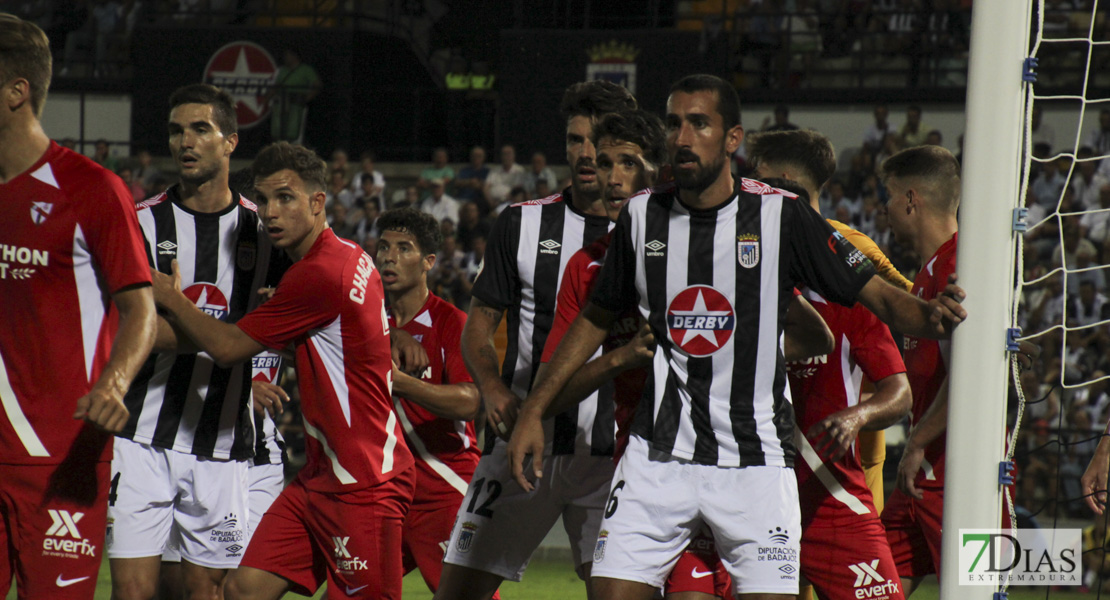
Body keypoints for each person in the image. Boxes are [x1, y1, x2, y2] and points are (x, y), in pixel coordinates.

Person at [509, 74, 966, 600]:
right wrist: (532, 412)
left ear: (732, 140)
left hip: (756, 466)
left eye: (699, 123)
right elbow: (593, 318)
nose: (682, 137)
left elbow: (879, 296)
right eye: (675, 123)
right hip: (659, 458)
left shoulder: (781, 215)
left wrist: (929, 317)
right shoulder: (642, 217)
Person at [149, 141, 417, 600]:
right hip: (321, 475)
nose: (271, 211)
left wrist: (172, 299)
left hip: (362, 480)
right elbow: (344, 349)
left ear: (318, 202)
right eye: (266, 198)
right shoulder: (352, 255)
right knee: (241, 590)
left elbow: (229, 348)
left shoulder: (317, 275)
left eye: (286, 198)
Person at [434, 79, 638, 600]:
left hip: (614, 457)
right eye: (574, 140)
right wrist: (492, 388)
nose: (585, 154)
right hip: (521, 442)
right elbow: (478, 326)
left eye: (597, 141)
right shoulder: (520, 223)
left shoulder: (653, 231)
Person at [107, 83, 289, 600]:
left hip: (224, 444)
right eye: (176, 130)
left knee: (207, 593)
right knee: (134, 593)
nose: (184, 141)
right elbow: (128, 328)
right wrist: (233, 336)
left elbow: (306, 309)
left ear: (230, 141)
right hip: (141, 436)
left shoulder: (265, 231)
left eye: (200, 129)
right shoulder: (142, 224)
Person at [0, 13, 156, 599]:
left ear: (18, 91)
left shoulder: (90, 189)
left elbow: (141, 311)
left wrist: (114, 384)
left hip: (59, 458)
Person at [747, 128, 913, 518]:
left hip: (845, 445)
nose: (748, 184)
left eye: (757, 173)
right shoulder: (750, 239)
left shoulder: (849, 246)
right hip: (781, 443)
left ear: (781, 183)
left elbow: (908, 300)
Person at [375, 207, 485, 593]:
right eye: (384, 247)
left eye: (404, 248)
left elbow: (471, 402)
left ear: (428, 262)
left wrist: (402, 384)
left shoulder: (450, 322)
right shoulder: (366, 320)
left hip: (443, 486)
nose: (389, 256)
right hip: (384, 493)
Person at [877, 145, 962, 596]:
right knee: (868, 585)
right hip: (920, 477)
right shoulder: (924, 277)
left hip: (962, 477)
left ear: (911, 199)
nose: (884, 209)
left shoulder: (962, 265)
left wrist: (917, 443)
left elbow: (971, 383)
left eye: (888, 196)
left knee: (979, 588)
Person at [267, 48, 320, 144]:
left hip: (297, 104)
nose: (285, 58)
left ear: (294, 56)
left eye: (287, 55)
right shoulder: (282, 70)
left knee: (294, 129)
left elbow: (317, 85)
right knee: (277, 129)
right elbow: (276, 86)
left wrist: (307, 98)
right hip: (281, 103)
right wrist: (267, 99)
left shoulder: (306, 70)